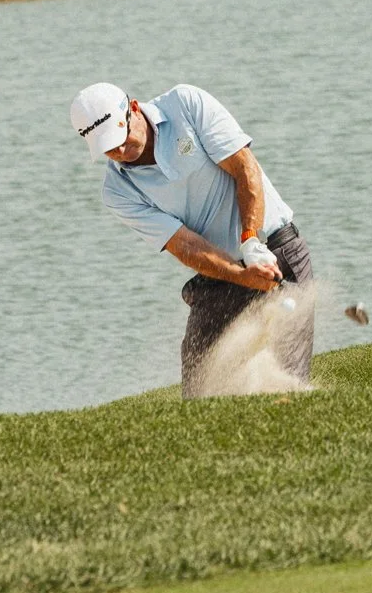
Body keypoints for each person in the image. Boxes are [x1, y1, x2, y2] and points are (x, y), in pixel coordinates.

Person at [69, 81, 313, 397]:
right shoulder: (118, 191)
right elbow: (185, 245)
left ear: (132, 109)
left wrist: (251, 242)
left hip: (276, 251)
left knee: (286, 384)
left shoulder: (185, 104)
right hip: (219, 276)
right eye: (108, 147)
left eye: (121, 137)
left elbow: (244, 168)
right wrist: (241, 274)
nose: (119, 151)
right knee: (200, 394)